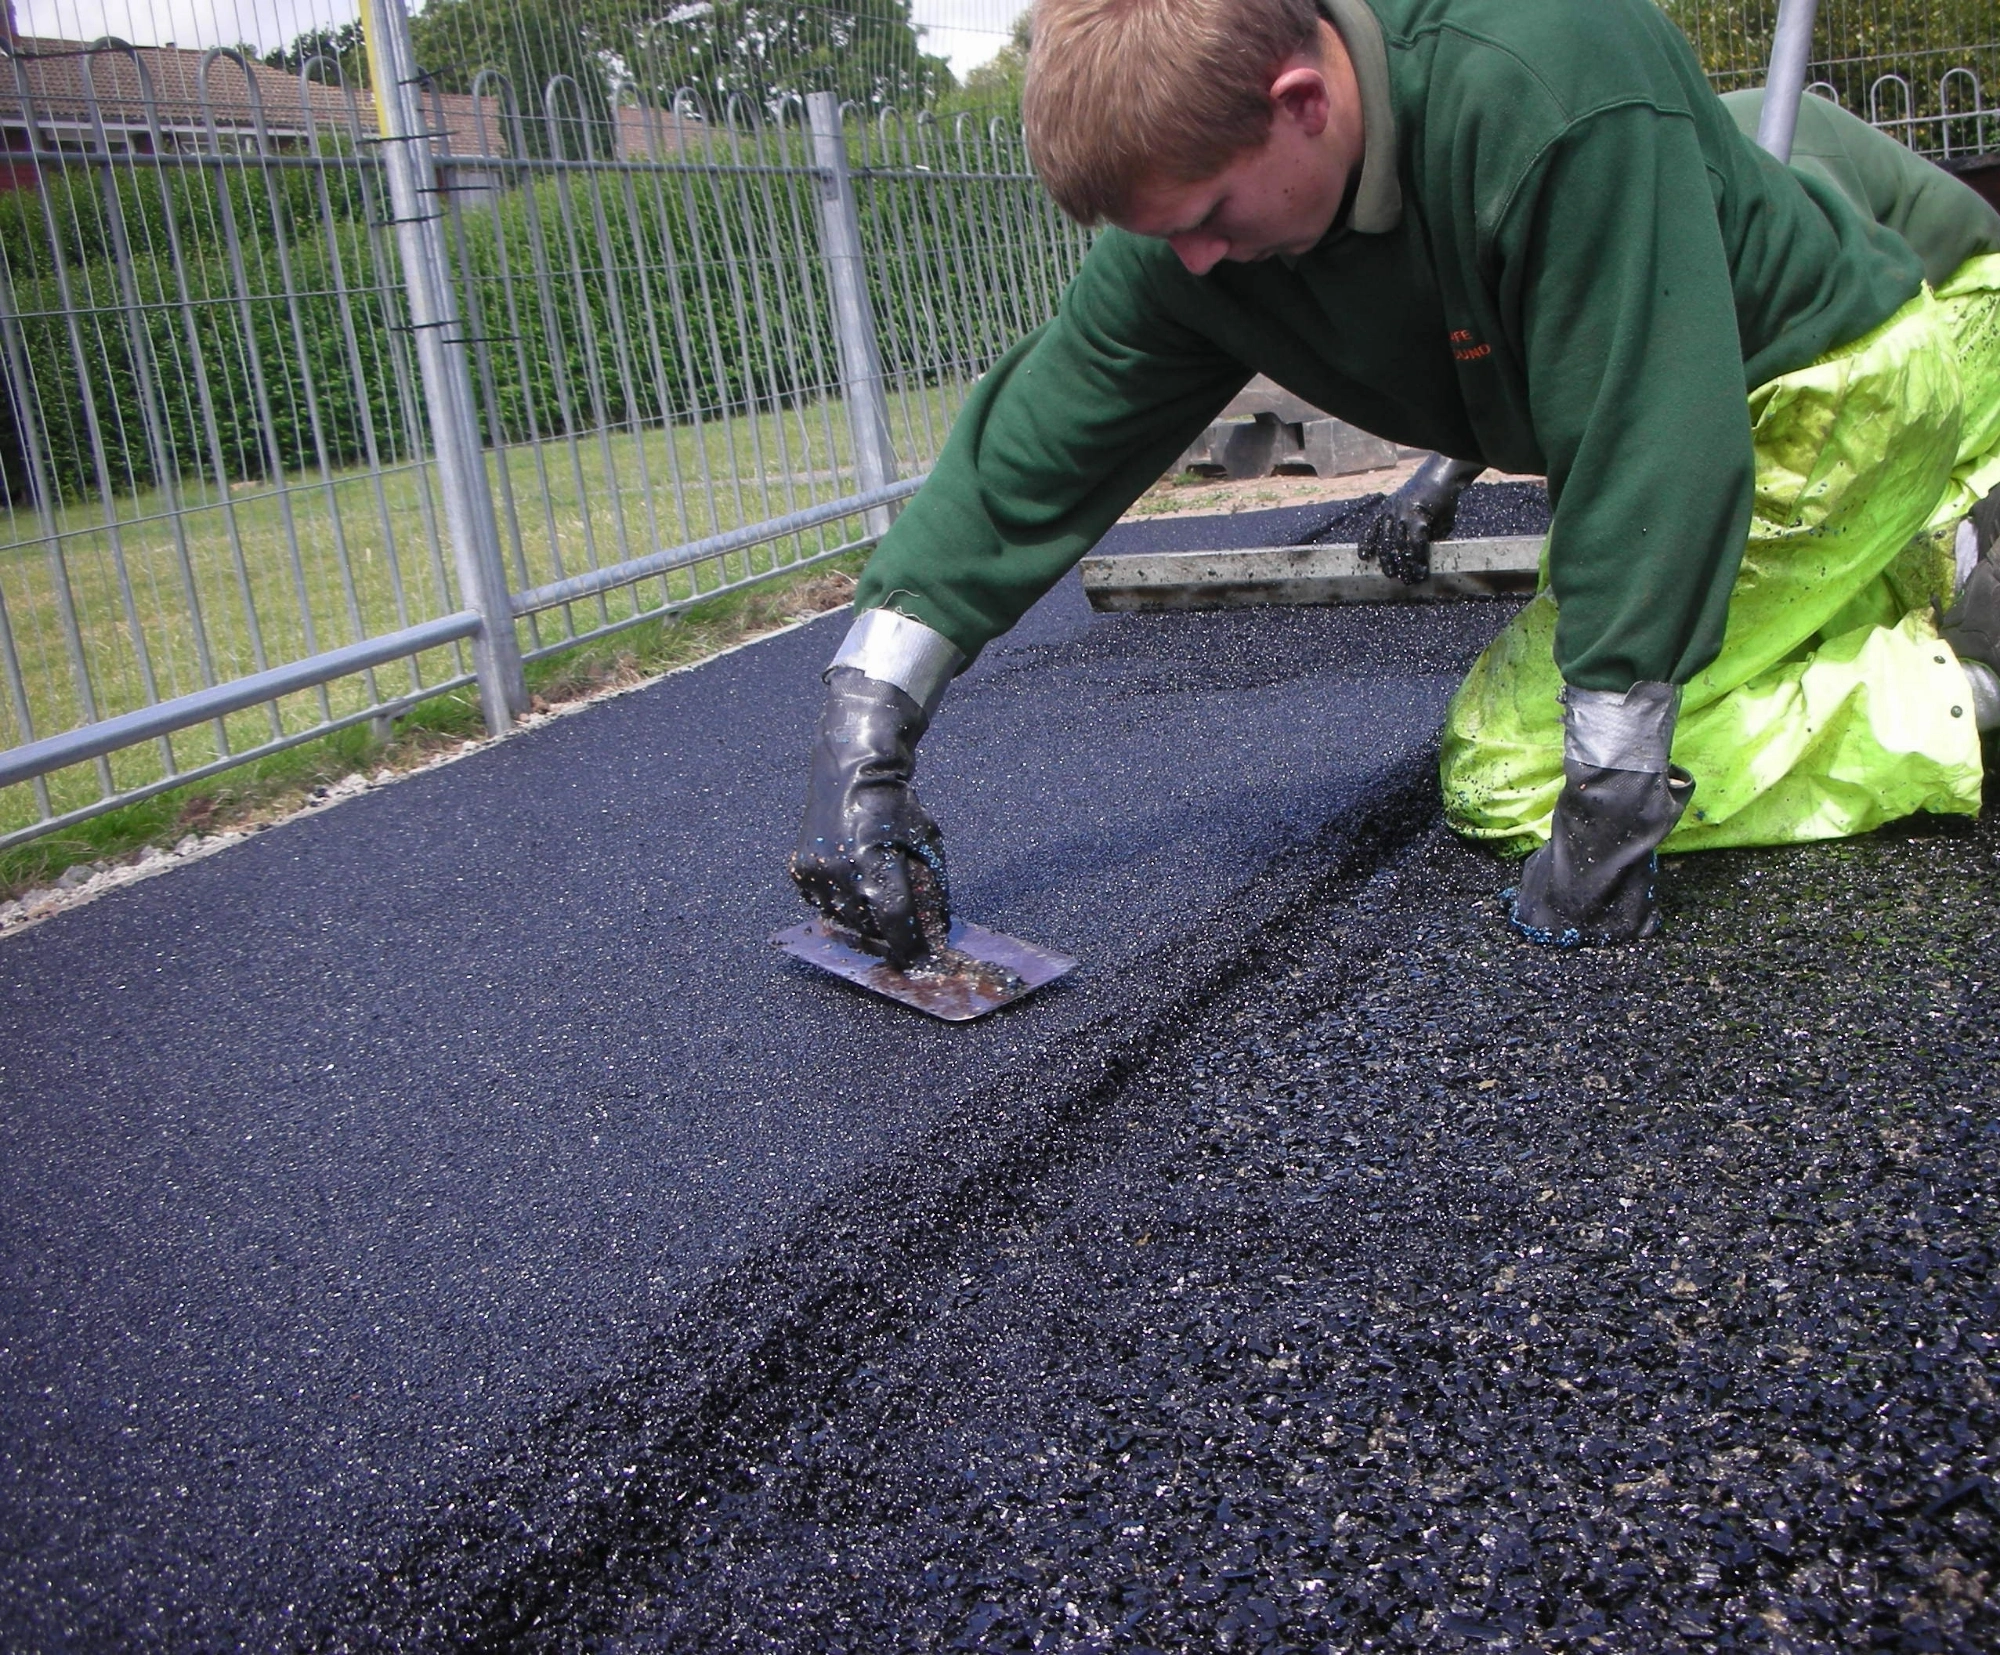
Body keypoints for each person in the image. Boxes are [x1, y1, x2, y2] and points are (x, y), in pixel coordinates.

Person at [790, 0, 2000, 962]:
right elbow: (1042, 439)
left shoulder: (1547, 77)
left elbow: (1643, 429)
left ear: (1300, 101)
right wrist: (864, 725)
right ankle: (1891, 582)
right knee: (1682, 668)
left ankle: (1971, 694)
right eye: (1165, 239)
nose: (1194, 262)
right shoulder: (1195, 242)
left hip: (1820, 389)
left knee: (1506, 766)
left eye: (1206, 217)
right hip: (1725, 405)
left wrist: (1612, 790)